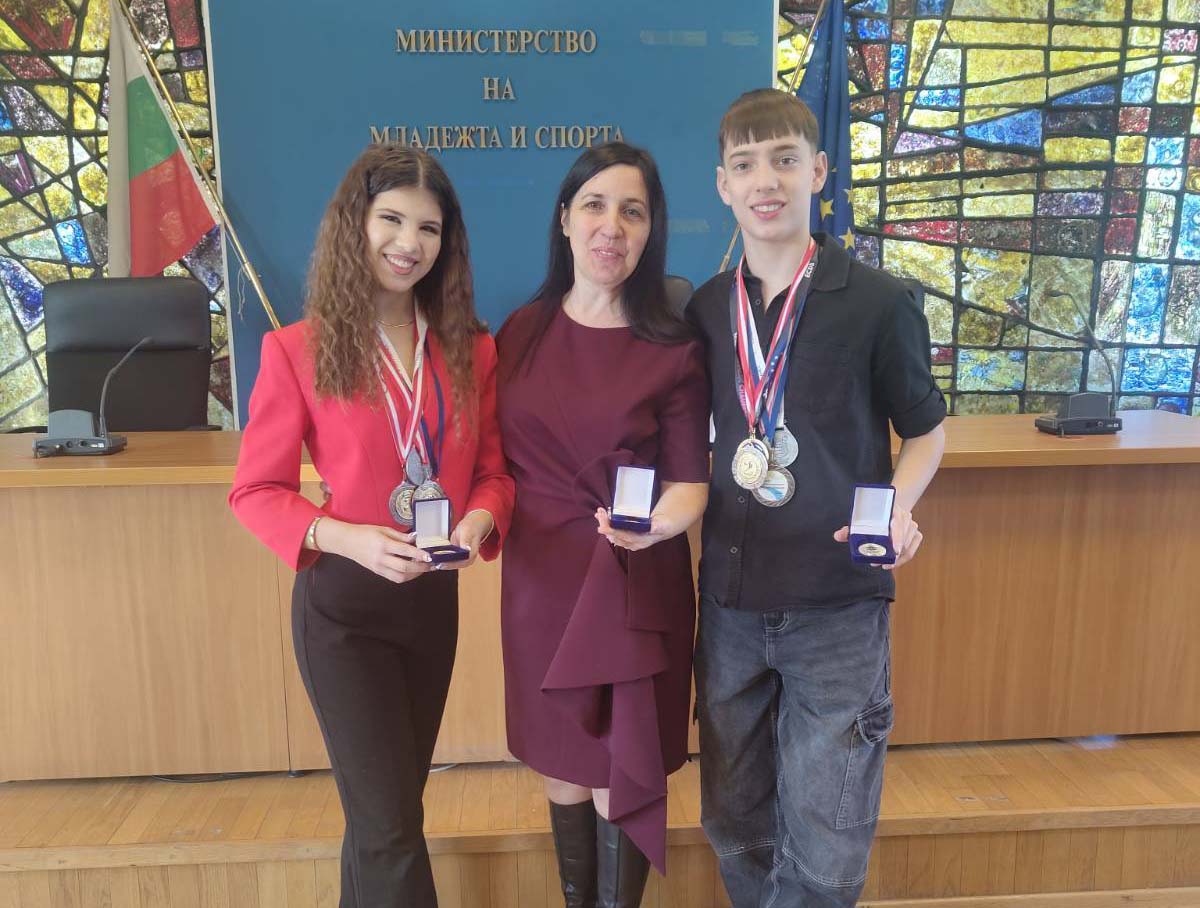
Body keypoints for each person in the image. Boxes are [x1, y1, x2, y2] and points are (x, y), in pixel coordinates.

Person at [229, 144, 514, 908]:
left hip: (431, 607)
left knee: (384, 820)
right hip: (343, 614)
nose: (408, 242)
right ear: (355, 224)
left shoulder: (471, 350)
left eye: (428, 227)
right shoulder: (297, 350)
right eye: (391, 219)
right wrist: (345, 536)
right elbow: (255, 490)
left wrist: (478, 521)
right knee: (389, 828)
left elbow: (494, 474)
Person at [687, 88, 947, 908]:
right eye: (744, 165)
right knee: (734, 824)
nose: (765, 180)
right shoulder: (705, 309)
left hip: (838, 608)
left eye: (785, 160)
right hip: (729, 606)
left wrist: (899, 505)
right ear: (723, 185)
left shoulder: (879, 302)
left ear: (819, 171)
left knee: (825, 846)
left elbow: (927, 434)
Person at [495, 142, 710, 907]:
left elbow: (690, 484)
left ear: (651, 231)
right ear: (564, 218)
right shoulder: (517, 332)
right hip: (538, 587)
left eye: (632, 211)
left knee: (621, 770)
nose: (610, 226)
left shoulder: (673, 349)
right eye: (594, 205)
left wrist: (655, 527)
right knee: (560, 763)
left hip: (630, 581)